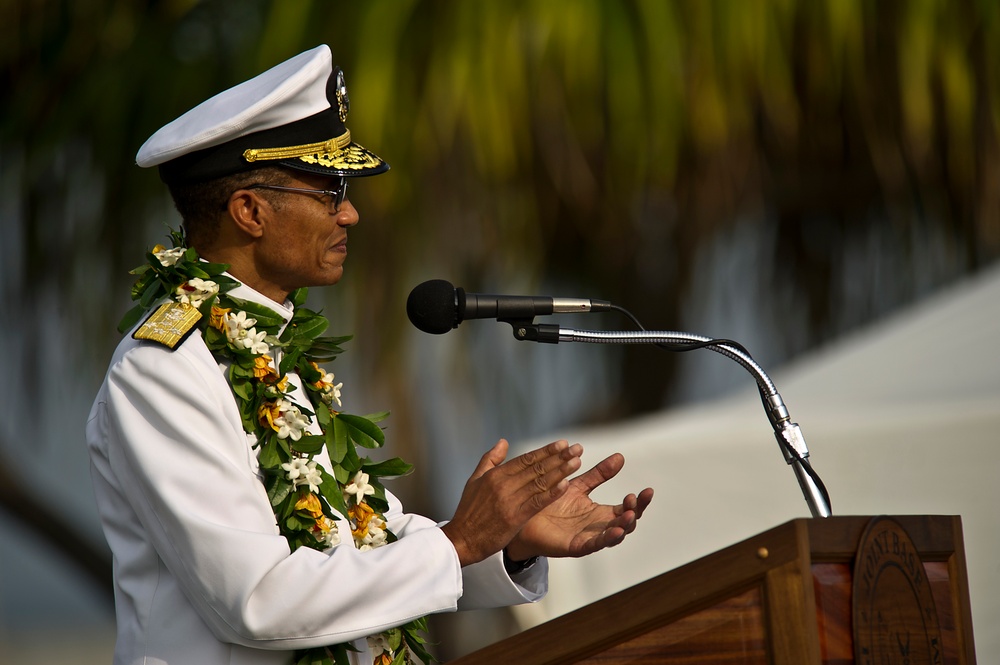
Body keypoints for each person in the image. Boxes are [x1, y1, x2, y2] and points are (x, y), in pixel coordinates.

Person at [87, 44, 653, 665]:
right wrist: (461, 540)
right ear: (249, 211)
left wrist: (507, 542)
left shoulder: (275, 356)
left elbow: (358, 543)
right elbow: (256, 600)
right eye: (331, 190)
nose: (351, 213)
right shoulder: (163, 369)